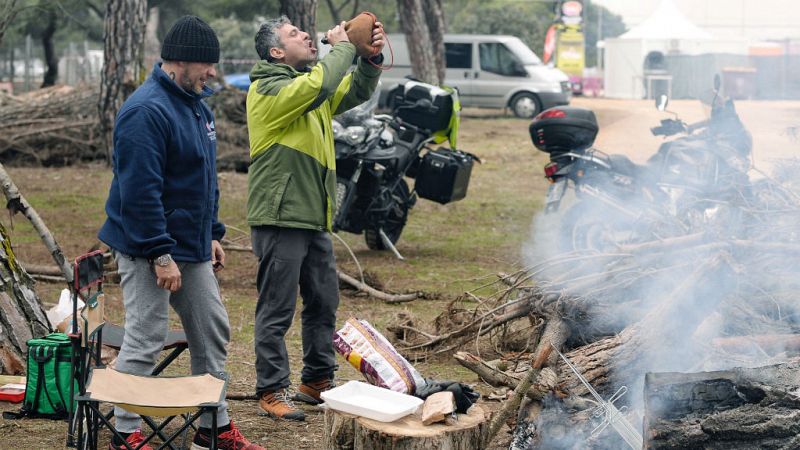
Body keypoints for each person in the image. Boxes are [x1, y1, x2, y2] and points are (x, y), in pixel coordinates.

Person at [98, 15, 263, 450]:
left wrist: (212, 232)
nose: (213, 73)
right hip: (145, 247)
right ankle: (125, 433)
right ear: (181, 62)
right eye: (207, 65)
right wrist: (160, 254)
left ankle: (214, 428)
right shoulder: (144, 111)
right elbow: (139, 193)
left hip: (190, 247)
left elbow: (206, 180)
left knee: (212, 330)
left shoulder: (198, 107)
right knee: (147, 336)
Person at [246, 16, 385, 421]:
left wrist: (369, 60)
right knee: (277, 306)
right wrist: (341, 45)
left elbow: (350, 88)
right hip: (280, 215)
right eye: (294, 34)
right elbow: (323, 83)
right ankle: (271, 389)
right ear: (276, 52)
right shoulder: (268, 89)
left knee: (324, 300)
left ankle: (317, 380)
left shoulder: (308, 89)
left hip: (312, 216)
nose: (306, 35)